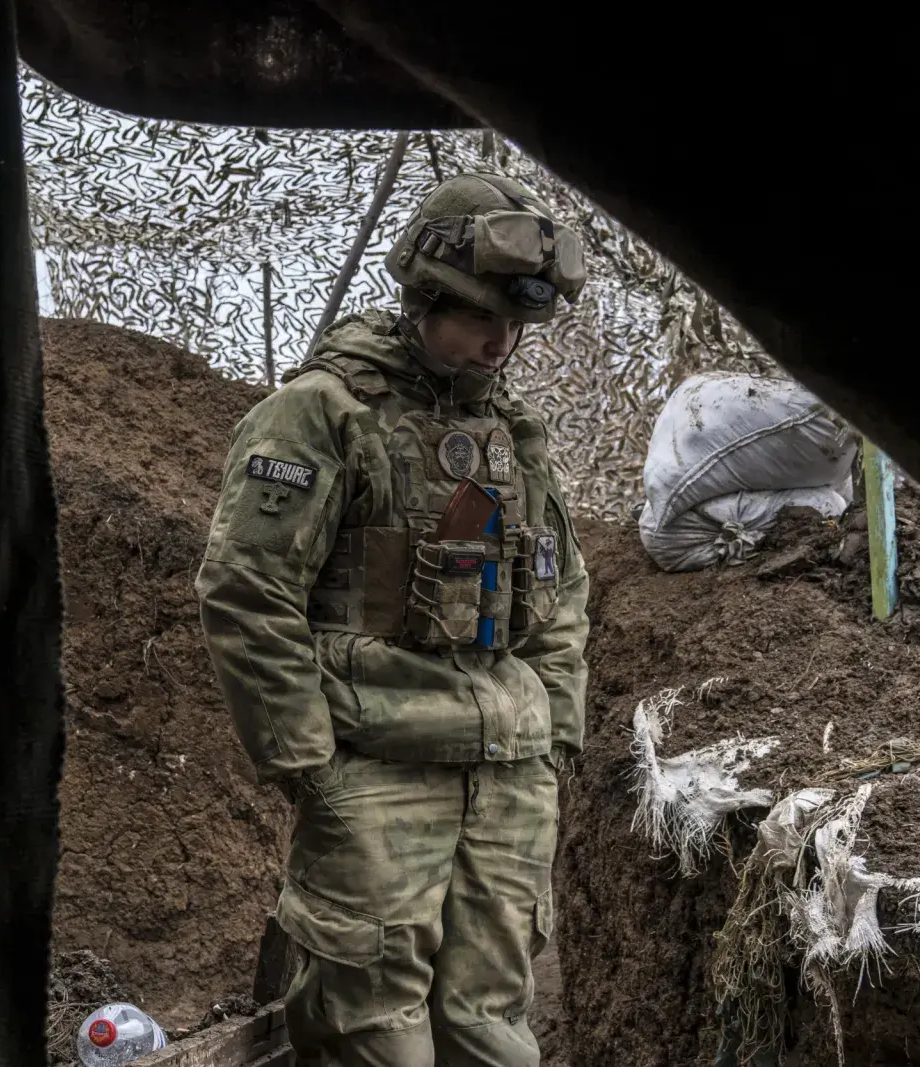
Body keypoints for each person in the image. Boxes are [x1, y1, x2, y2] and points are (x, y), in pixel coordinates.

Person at [195, 172, 591, 1067]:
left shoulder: (515, 432)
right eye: (480, 316)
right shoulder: (323, 412)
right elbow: (247, 589)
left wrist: (552, 736)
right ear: (425, 296)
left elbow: (560, 591)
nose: (501, 342)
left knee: (491, 1031)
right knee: (376, 1035)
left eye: (516, 323)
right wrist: (308, 763)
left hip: (509, 774)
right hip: (376, 766)